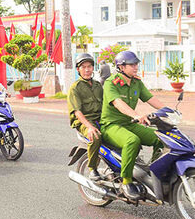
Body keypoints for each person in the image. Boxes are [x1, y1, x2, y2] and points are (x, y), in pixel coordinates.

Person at [100, 51, 165, 201]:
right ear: (121, 67)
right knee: (132, 141)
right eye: (132, 64)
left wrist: (168, 111)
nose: (135, 67)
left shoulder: (136, 82)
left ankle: (152, 172)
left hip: (129, 124)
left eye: (136, 64)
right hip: (111, 125)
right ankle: (126, 181)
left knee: (160, 138)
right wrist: (136, 115)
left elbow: (150, 98)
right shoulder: (111, 83)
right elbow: (118, 103)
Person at [67, 53, 104, 181]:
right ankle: (92, 168)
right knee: (95, 137)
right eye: (83, 67)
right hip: (84, 122)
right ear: (78, 69)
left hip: (100, 119)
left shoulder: (98, 86)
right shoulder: (75, 88)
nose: (87, 70)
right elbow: (77, 112)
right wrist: (89, 127)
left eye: (89, 66)